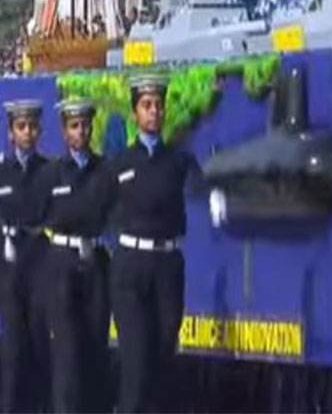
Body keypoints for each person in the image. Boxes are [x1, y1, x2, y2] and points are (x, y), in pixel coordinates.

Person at [108, 76, 197, 414]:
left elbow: (202, 189)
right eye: (146, 105)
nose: (154, 111)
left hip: (167, 267)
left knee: (163, 358)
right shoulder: (120, 164)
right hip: (130, 267)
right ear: (135, 113)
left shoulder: (178, 161)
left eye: (158, 105)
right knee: (136, 363)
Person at [39, 98, 112, 414]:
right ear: (64, 131)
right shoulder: (52, 173)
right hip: (62, 264)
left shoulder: (105, 170)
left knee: (95, 349)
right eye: (74, 126)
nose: (81, 131)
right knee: (67, 353)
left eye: (85, 125)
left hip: (95, 261)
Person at [0, 99, 50, 413]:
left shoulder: (50, 170)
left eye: (32, 126)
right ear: (11, 133)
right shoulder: (1, 172)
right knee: (12, 347)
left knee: (39, 342)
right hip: (8, 264)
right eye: (21, 127)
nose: (27, 132)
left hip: (39, 261)